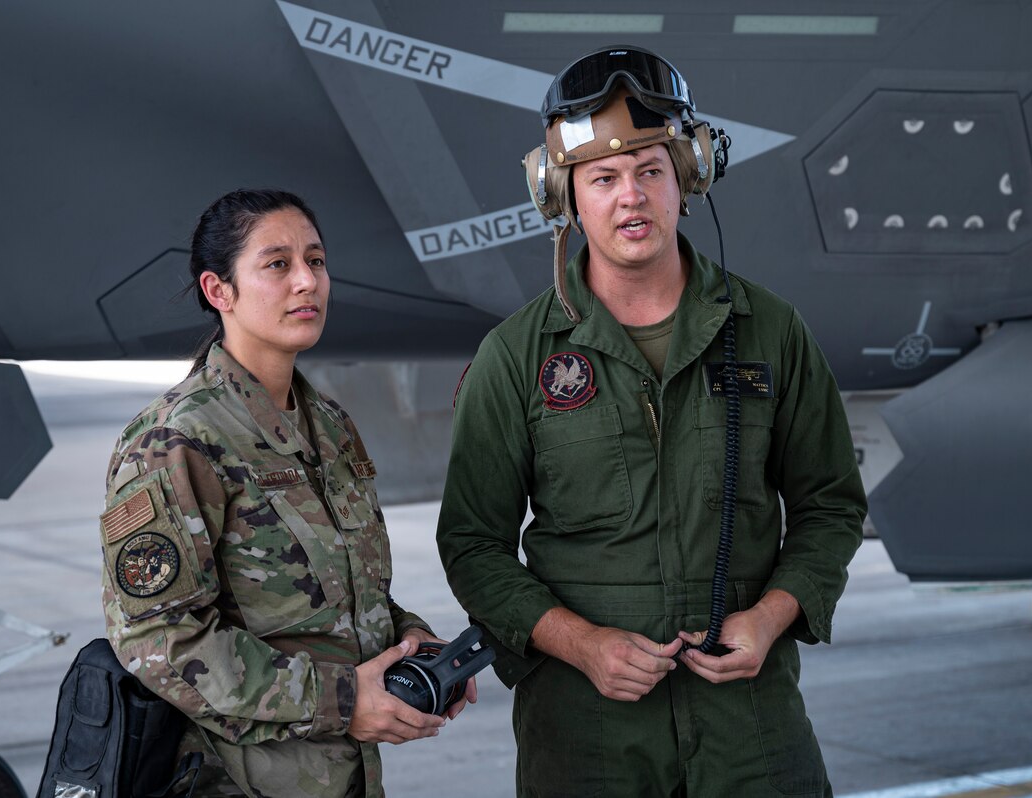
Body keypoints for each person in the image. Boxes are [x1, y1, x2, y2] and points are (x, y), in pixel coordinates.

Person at [437, 46, 866, 796]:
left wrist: (770, 616)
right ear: (564, 195)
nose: (629, 196)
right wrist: (580, 643)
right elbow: (473, 544)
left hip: (751, 733)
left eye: (650, 171)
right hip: (587, 738)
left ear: (689, 178)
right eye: (602, 177)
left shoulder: (769, 330)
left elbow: (831, 504)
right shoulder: (515, 357)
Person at [99, 189, 474, 797]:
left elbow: (349, 593)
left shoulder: (326, 424)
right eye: (278, 264)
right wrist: (345, 699)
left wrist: (415, 642)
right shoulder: (177, 441)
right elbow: (158, 640)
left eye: (317, 261)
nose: (308, 281)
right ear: (219, 291)